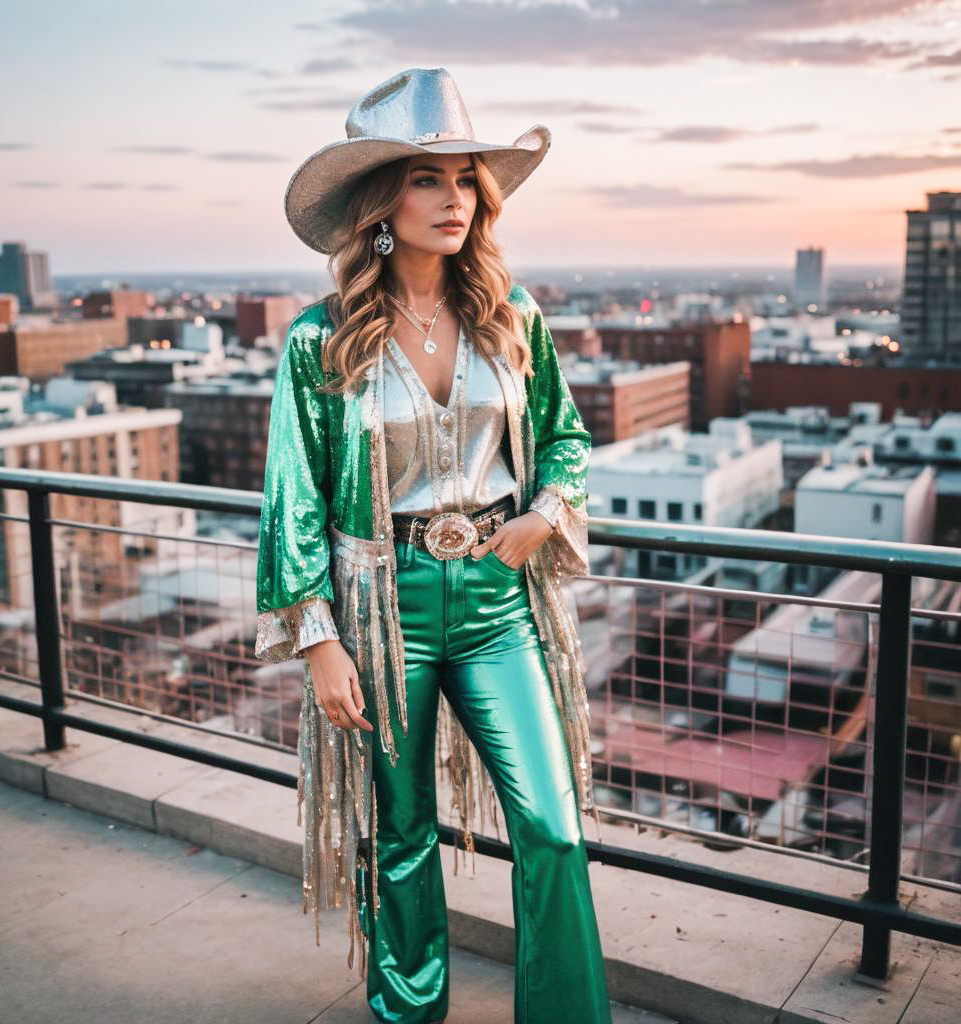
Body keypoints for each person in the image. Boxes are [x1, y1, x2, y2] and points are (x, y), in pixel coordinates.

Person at [256, 67, 611, 1024]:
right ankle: (408, 1011)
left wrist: (545, 511)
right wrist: (318, 639)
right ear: (380, 202)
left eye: (466, 180)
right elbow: (291, 498)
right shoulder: (320, 340)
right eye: (427, 178)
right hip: (382, 605)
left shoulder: (511, 315)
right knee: (403, 832)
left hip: (499, 598)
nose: (453, 199)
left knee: (553, 828)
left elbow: (567, 439)